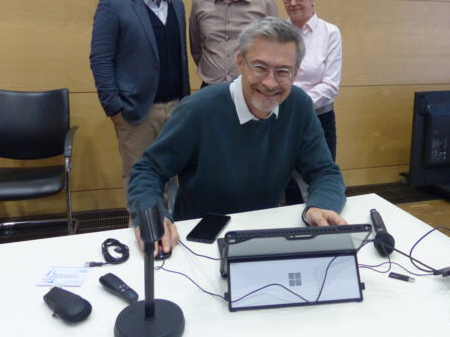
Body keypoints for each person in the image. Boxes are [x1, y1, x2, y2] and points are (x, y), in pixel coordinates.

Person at [128, 17, 347, 253]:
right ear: (240, 62)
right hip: (199, 240)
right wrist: (152, 216)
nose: (270, 83)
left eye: (283, 71)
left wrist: (320, 205)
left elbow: (325, 172)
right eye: (260, 67)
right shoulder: (198, 109)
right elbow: (148, 170)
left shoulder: (299, 106)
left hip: (264, 233)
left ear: (296, 73)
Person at [90, 0, 190, 183]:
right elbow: (100, 59)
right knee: (141, 181)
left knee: (175, 180)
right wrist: (114, 109)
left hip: (176, 110)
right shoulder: (114, 3)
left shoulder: (177, 4)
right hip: (137, 113)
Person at [281, 0, 342, 204]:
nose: (293, 3)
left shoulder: (330, 33)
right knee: (287, 187)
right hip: (281, 119)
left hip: (318, 119)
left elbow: (330, 86)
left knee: (319, 182)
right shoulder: (277, 33)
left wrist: (297, 104)